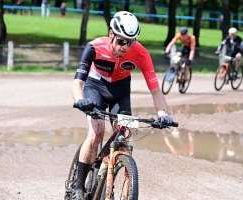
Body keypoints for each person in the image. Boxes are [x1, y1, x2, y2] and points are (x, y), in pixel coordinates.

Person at [71, 11, 175, 200]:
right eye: (121, 41)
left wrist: (163, 114)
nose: (125, 46)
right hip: (95, 86)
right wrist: (81, 101)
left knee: (124, 135)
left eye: (131, 41)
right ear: (111, 34)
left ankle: (112, 171)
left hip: (120, 92)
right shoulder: (94, 47)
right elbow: (77, 83)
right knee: (97, 132)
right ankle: (78, 186)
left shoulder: (141, 54)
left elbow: (155, 90)